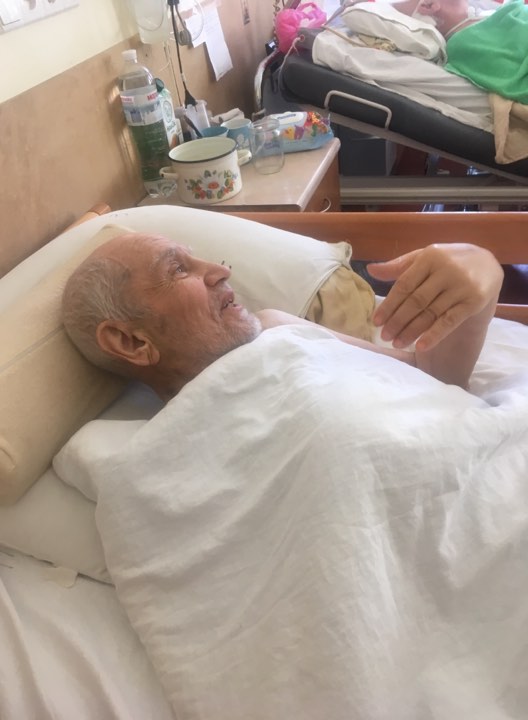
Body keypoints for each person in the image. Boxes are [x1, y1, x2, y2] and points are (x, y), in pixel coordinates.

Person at [61, 232, 503, 401]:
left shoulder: (275, 327)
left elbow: (435, 382)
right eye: (177, 270)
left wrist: (483, 274)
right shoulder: (170, 460)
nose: (220, 271)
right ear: (131, 342)